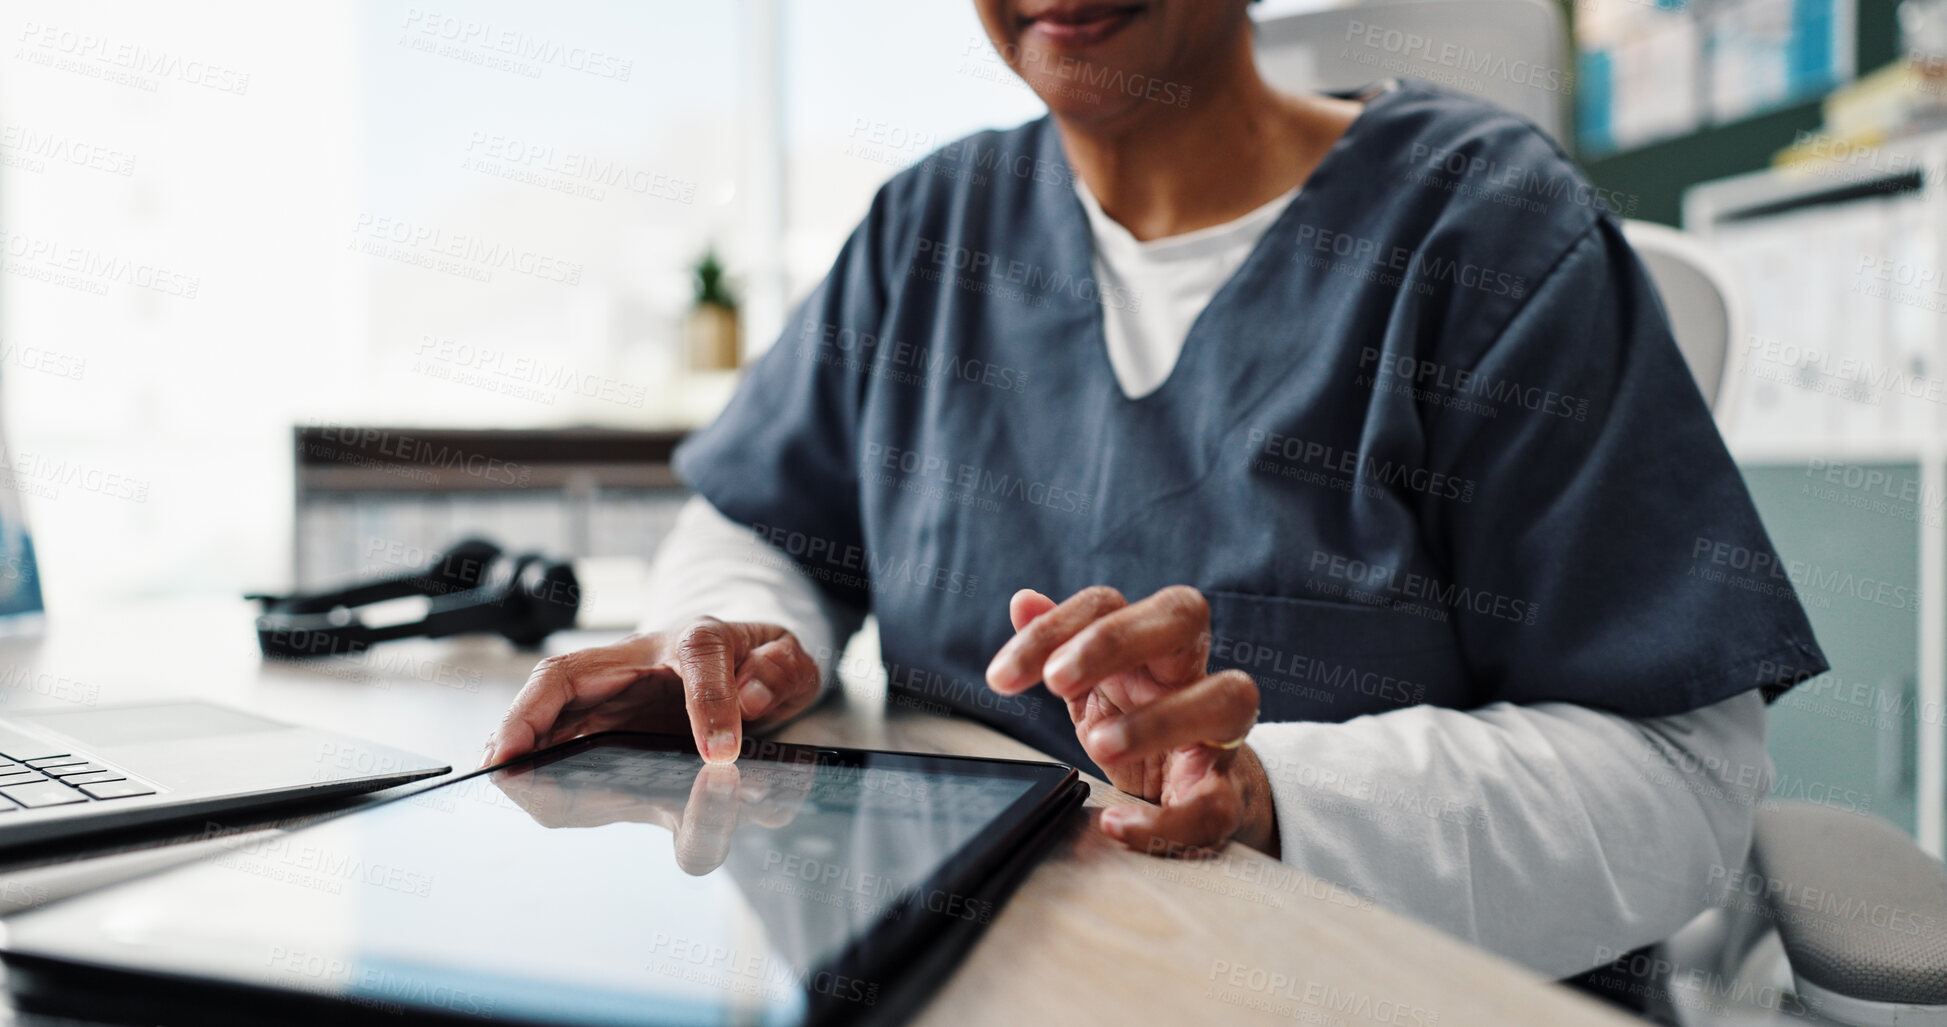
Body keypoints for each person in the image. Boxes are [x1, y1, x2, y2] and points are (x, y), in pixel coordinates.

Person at [483, 0, 1827, 981]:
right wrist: (738, 632)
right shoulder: (928, 233)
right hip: (988, 981)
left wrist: (1267, 796)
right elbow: (757, 520)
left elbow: (1680, 781)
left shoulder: (1485, 232)